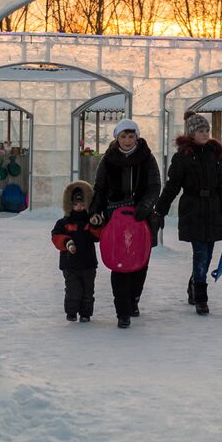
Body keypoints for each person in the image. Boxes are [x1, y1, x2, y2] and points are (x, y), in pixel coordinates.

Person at [156, 113, 222, 316]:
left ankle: (194, 283)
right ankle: (201, 297)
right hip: (193, 209)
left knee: (208, 253)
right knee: (200, 252)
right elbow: (172, 186)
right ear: (192, 133)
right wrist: (160, 209)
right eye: (201, 131)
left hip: (213, 208)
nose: (205, 134)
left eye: (207, 130)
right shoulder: (183, 156)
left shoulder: (214, 154)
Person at [89, 118, 161, 328]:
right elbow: (100, 188)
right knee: (119, 262)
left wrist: (145, 206)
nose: (128, 140)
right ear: (117, 138)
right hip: (116, 217)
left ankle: (133, 298)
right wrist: (95, 210)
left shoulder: (147, 158)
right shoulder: (108, 159)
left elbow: (154, 185)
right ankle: (122, 311)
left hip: (141, 217)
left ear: (137, 137)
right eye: (123, 136)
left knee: (140, 262)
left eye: (131, 136)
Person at [50, 180, 101, 322]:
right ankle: (71, 312)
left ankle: (86, 314)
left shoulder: (90, 221)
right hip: (70, 264)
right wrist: (67, 242)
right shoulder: (64, 223)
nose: (79, 207)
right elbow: (56, 237)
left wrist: (97, 225)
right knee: (73, 290)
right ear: (70, 204)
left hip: (88, 264)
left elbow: (97, 237)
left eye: (82, 204)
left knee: (88, 291)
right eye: (76, 204)